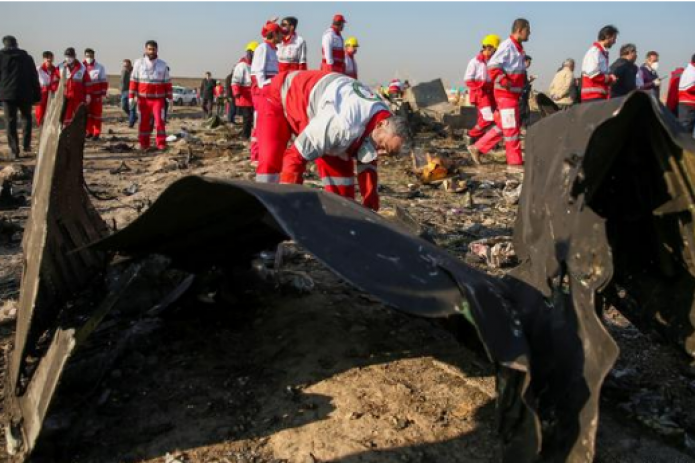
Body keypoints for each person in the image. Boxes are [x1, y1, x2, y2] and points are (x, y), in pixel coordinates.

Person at [256, 70, 408, 211]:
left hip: (321, 108)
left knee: (343, 189)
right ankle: (263, 209)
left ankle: (342, 224)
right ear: (381, 125)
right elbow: (294, 158)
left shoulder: (382, 117)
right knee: (271, 162)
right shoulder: (342, 125)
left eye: (388, 153)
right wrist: (289, 206)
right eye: (383, 146)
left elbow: (368, 165)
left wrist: (371, 208)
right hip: (279, 95)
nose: (379, 153)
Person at [467, 18, 531, 168]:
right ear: (520, 30)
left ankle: (477, 147)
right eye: (528, 30)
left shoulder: (517, 48)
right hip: (505, 95)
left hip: (512, 95)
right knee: (511, 130)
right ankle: (514, 163)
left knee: (505, 126)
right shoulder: (507, 46)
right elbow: (493, 65)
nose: (530, 33)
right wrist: (504, 81)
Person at [0, 35, 40, 159]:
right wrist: (37, 96)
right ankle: (26, 146)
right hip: (25, 93)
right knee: (26, 118)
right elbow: (34, 77)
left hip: (7, 95)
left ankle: (14, 149)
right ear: (16, 44)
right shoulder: (27, 58)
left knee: (10, 121)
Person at [129, 40, 173, 151]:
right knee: (143, 122)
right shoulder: (138, 63)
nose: (151, 51)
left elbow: (167, 82)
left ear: (157, 50)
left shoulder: (163, 65)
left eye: (153, 49)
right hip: (143, 100)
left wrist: (170, 98)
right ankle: (144, 143)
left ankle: (161, 143)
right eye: (149, 49)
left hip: (158, 100)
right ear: (145, 49)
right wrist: (131, 96)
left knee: (160, 122)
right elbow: (133, 80)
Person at [251, 21, 282, 168]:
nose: (282, 35)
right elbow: (258, 72)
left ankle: (262, 154)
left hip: (270, 91)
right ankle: (255, 156)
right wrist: (265, 89)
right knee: (259, 123)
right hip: (262, 92)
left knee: (266, 124)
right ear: (274, 34)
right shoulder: (262, 48)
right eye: (280, 33)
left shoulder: (273, 50)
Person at [464, 34, 500, 141]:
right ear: (489, 48)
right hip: (480, 93)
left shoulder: (494, 62)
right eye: (495, 49)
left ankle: (477, 140)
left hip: (492, 93)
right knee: (488, 118)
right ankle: (471, 135)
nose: (496, 52)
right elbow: (468, 80)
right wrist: (479, 89)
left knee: (485, 119)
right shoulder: (474, 62)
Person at [581, 25, 619, 102]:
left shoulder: (601, 53)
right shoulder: (595, 52)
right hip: (592, 97)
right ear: (607, 36)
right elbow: (594, 75)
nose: (615, 42)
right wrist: (610, 78)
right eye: (614, 38)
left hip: (598, 96)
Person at [59, 47, 91, 128]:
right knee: (66, 116)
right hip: (66, 97)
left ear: (75, 56)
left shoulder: (82, 68)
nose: (68, 58)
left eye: (70, 56)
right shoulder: (60, 67)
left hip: (78, 97)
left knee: (79, 115)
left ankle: (78, 133)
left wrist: (88, 95)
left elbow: (87, 82)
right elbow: (54, 80)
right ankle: (65, 131)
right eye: (67, 56)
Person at [232, 41, 257, 141]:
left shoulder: (254, 65)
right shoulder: (242, 65)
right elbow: (235, 80)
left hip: (253, 95)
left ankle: (249, 134)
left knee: (252, 117)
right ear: (249, 52)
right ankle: (245, 136)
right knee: (247, 117)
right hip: (245, 96)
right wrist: (236, 92)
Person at [83, 48, 108, 139]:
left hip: (96, 96)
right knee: (87, 114)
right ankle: (88, 131)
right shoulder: (81, 67)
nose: (89, 57)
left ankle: (96, 133)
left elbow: (103, 81)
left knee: (97, 115)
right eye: (87, 56)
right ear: (84, 56)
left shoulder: (100, 67)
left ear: (94, 56)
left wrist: (103, 94)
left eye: (91, 56)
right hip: (85, 95)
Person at [36, 51, 60, 126]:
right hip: (41, 93)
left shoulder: (56, 70)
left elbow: (58, 81)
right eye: (47, 58)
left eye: (50, 58)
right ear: (44, 59)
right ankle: (40, 125)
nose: (49, 60)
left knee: (51, 111)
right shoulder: (38, 69)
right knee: (40, 111)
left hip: (52, 94)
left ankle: (48, 126)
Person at [678, 54, 695, 136]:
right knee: (686, 130)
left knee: (689, 129)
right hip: (687, 105)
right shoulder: (690, 72)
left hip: (689, 105)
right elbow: (689, 87)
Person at [120, 59, 137, 127]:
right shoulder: (123, 71)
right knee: (124, 106)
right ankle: (133, 117)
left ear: (130, 65)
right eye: (124, 66)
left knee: (132, 107)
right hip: (124, 91)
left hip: (133, 91)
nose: (125, 67)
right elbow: (122, 82)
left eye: (127, 66)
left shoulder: (134, 71)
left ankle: (131, 123)